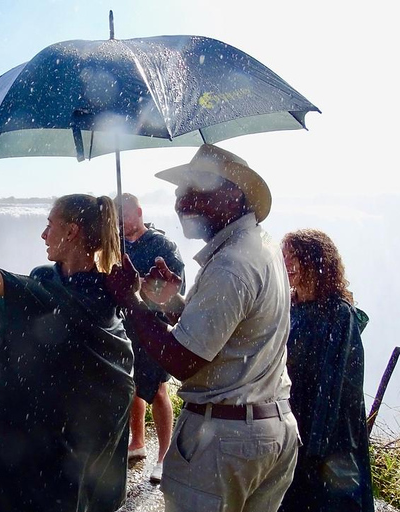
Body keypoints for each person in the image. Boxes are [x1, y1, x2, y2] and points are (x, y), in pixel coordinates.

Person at [106, 144, 299, 512]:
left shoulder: (230, 266)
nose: (180, 203)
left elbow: (181, 361)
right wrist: (168, 302)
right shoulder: (259, 245)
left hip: (224, 442)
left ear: (228, 194)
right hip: (265, 428)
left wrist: (128, 300)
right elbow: (230, 333)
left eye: (191, 191)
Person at [0, 194, 135, 512]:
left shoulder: (100, 295)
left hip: (64, 443)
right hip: (19, 427)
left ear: (72, 232)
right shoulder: (46, 278)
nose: (44, 235)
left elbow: (31, 295)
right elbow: (31, 299)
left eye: (50, 226)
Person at [279, 229, 374, 512]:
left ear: (317, 262)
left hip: (326, 430)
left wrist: (316, 447)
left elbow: (335, 385)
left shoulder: (338, 313)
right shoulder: (289, 305)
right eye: (283, 256)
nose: (287, 264)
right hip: (289, 417)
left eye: (294, 257)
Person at [116, 192, 185, 484]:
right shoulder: (115, 246)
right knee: (130, 384)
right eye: (116, 218)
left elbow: (175, 290)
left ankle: (164, 457)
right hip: (124, 324)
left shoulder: (162, 245)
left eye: (124, 215)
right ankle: (138, 442)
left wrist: (141, 286)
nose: (120, 222)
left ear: (139, 212)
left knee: (157, 389)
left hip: (155, 326)